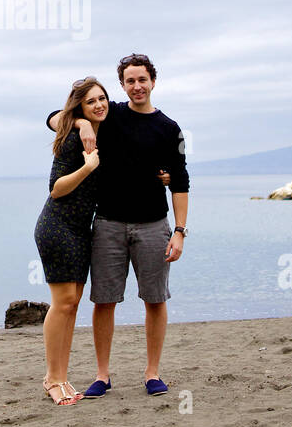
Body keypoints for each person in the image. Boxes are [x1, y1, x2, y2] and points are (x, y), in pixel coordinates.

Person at [46, 53, 189, 398]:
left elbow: (181, 182)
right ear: (122, 86)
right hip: (108, 225)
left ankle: (152, 373)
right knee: (104, 301)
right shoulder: (109, 115)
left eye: (142, 80)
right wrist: (81, 125)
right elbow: (53, 118)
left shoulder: (169, 128)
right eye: (130, 81)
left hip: (154, 225)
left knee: (155, 300)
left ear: (153, 81)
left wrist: (180, 231)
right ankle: (102, 375)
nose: (137, 86)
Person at [33, 76, 109, 405]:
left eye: (102, 98)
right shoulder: (72, 139)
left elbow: (55, 116)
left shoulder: (101, 131)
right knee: (62, 303)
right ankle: (53, 378)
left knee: (72, 305)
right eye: (90, 101)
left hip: (81, 230)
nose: (99, 105)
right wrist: (88, 167)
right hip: (57, 226)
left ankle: (61, 376)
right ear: (79, 107)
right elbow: (56, 188)